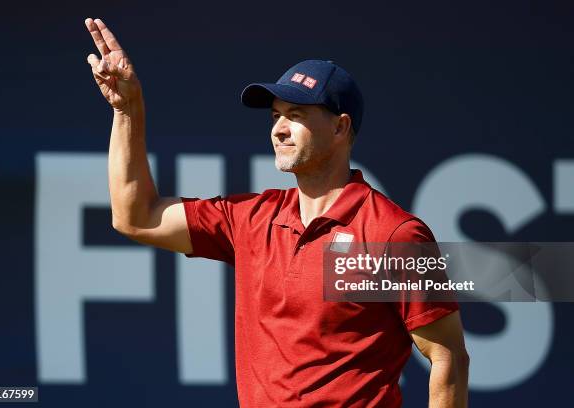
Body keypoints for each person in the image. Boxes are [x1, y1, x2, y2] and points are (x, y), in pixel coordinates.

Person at [85, 17, 469, 408]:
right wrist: (127, 108)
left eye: (297, 115)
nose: (279, 129)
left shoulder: (394, 235)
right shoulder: (251, 219)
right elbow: (136, 216)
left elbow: (447, 357)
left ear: (340, 128)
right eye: (275, 116)